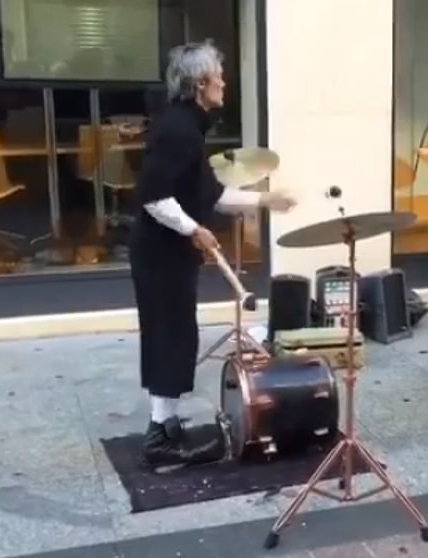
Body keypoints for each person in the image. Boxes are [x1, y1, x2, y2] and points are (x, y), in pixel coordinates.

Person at [129, 40, 296, 468]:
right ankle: (159, 439)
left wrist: (264, 201)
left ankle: (165, 424)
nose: (224, 82)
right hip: (159, 253)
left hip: (168, 252)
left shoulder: (188, 124)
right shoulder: (178, 129)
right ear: (201, 83)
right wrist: (194, 229)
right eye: (219, 75)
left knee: (177, 335)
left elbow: (211, 194)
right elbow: (154, 196)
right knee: (171, 336)